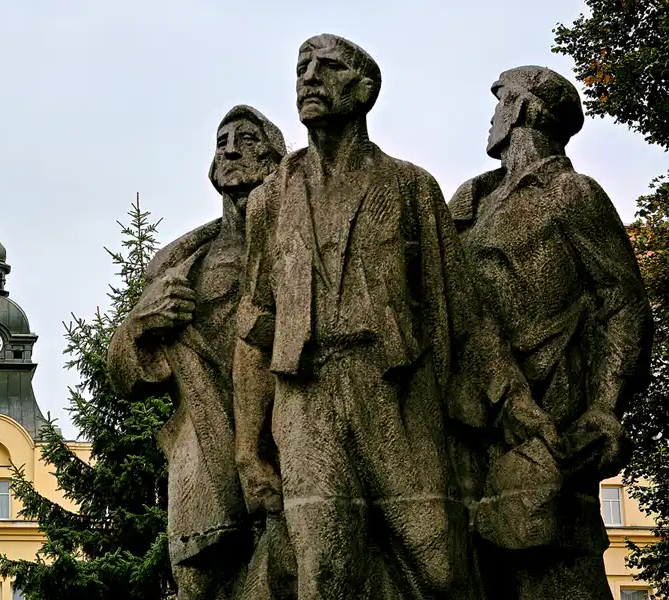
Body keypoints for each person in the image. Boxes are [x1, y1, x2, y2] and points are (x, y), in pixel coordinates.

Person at [233, 33, 542, 599]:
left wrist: (515, 403)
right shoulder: (269, 201)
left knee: (440, 562)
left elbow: (464, 311)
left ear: (364, 89)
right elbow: (255, 328)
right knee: (323, 574)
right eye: (301, 68)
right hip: (306, 400)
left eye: (328, 67)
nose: (309, 79)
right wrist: (248, 450)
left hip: (397, 392)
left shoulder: (410, 186)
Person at [449, 66, 653, 600]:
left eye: (500, 103)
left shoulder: (571, 193)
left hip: (550, 414)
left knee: (550, 568)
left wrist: (604, 406)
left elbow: (623, 302)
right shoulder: (472, 202)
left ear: (521, 109)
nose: (492, 117)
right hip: (472, 414)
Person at [108, 105, 291, 600]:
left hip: (282, 430)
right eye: (221, 142)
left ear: (275, 159)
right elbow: (125, 374)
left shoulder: (298, 241)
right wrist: (141, 321)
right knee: (200, 585)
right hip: (203, 442)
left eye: (246, 140)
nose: (229, 150)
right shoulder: (185, 264)